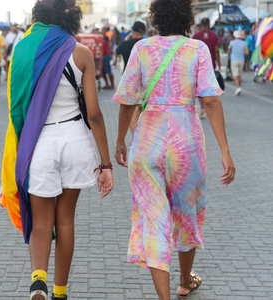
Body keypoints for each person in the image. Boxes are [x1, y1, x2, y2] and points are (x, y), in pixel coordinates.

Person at [113, 0, 236, 299]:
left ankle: (164, 297)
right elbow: (209, 101)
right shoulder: (197, 49)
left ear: (155, 18)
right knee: (186, 213)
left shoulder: (142, 49)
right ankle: (184, 280)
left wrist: (119, 141)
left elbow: (128, 100)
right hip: (186, 143)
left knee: (154, 220)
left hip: (148, 139)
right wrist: (225, 150)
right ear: (187, 18)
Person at [0, 0, 113, 299]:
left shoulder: (22, 49)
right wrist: (105, 163)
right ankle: (60, 292)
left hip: (40, 143)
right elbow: (95, 114)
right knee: (65, 220)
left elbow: (16, 108)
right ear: (71, 16)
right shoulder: (81, 51)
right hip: (75, 140)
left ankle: (38, 281)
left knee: (41, 222)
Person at [115, 21, 146, 133]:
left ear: (132, 31)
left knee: (132, 108)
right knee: (142, 108)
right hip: (147, 79)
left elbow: (117, 52)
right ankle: (142, 134)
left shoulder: (126, 44)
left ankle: (135, 138)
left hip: (129, 80)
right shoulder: (147, 44)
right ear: (144, 32)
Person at [192, 17, 221, 118]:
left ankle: (203, 107)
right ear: (209, 24)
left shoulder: (196, 35)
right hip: (210, 64)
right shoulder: (214, 36)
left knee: (199, 88)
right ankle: (208, 106)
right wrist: (219, 64)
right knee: (208, 87)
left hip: (197, 65)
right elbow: (216, 50)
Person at [229, 30, 248, 96]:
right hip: (242, 60)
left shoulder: (232, 42)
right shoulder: (244, 43)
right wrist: (241, 52)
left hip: (234, 60)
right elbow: (247, 52)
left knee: (235, 75)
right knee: (239, 75)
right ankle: (239, 87)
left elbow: (229, 49)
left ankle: (238, 87)